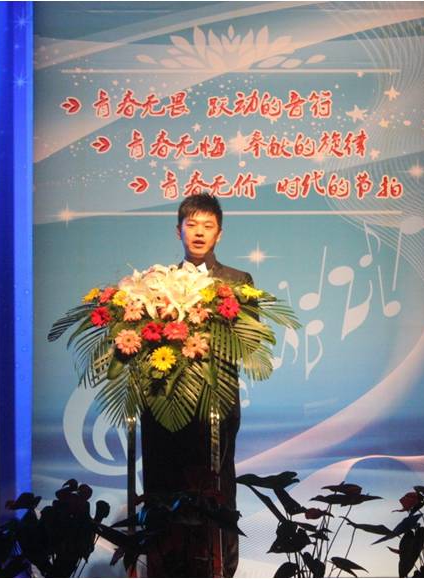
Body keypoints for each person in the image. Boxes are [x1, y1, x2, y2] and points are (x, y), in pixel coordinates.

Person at [140, 194, 251, 577]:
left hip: (214, 406)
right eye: (192, 225)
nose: (199, 233)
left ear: (219, 233)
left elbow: (247, 343)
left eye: (207, 226)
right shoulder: (155, 285)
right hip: (165, 406)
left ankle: (221, 568)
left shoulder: (238, 282)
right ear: (179, 231)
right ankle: (164, 566)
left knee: (215, 489)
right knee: (165, 487)